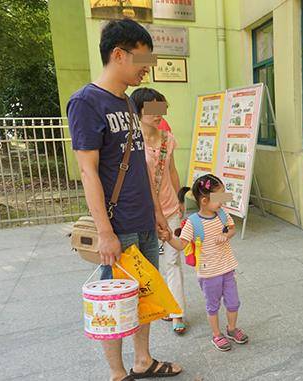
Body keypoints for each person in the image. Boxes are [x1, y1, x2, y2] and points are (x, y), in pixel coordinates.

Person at [67, 19, 181, 380]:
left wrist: (159, 214)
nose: (147, 67)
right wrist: (104, 232)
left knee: (145, 297)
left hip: (145, 219)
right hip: (118, 226)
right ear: (118, 54)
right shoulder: (86, 102)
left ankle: (142, 361)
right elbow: (88, 172)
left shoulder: (130, 104)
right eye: (142, 58)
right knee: (115, 302)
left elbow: (137, 166)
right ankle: (118, 373)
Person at [164, 174, 249, 352]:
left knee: (233, 303)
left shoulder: (222, 214)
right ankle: (217, 334)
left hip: (227, 268)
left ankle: (232, 329)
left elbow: (232, 229)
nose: (223, 201)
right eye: (219, 198)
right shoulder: (193, 223)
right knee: (213, 306)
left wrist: (225, 235)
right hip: (209, 274)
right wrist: (169, 238)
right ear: (204, 200)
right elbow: (181, 245)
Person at [130, 88, 187, 334]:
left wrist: (180, 198)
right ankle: (155, 307)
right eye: (152, 108)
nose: (158, 114)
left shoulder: (168, 139)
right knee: (149, 264)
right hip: (142, 211)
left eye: (161, 108)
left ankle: (177, 312)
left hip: (169, 206)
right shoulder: (131, 142)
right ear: (138, 111)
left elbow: (172, 171)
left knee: (172, 261)